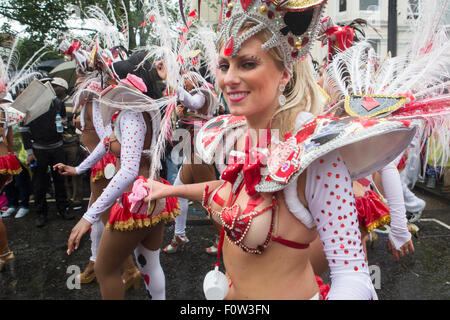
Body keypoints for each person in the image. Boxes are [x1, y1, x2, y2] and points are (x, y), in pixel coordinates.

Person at [142, 0, 416, 300]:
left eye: (247, 63)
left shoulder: (314, 154)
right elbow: (229, 192)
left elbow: (353, 277)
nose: (229, 78)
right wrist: (166, 190)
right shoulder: (238, 138)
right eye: (224, 65)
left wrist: (399, 228)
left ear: (284, 74)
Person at [64, 53, 180, 300]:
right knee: (150, 263)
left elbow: (128, 171)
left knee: (105, 270)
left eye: (111, 78)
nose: (106, 83)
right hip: (153, 193)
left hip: (134, 199)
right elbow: (106, 144)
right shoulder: (144, 111)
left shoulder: (131, 115)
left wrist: (88, 216)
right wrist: (78, 169)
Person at [163, 66, 222, 254]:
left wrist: (172, 82)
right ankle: (179, 234)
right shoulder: (195, 95)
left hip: (199, 155)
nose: (184, 81)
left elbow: (193, 103)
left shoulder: (202, 94)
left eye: (186, 79)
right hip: (190, 154)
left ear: (195, 79)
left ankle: (222, 239)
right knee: (178, 191)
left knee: (210, 200)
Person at [20, 77, 74, 228]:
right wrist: (30, 152)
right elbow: (24, 130)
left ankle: (63, 209)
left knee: (60, 180)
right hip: (39, 150)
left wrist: (64, 124)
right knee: (39, 183)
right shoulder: (29, 107)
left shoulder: (58, 103)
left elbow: (64, 122)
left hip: (57, 147)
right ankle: (40, 213)